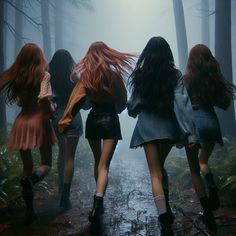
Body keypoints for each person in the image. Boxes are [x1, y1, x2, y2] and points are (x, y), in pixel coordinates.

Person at [58, 41, 134, 225]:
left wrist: (65, 121)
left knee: (97, 161)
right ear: (108, 54)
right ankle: (98, 201)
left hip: (93, 121)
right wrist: (114, 106)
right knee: (104, 166)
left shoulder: (87, 77)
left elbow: (76, 101)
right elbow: (122, 103)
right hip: (110, 121)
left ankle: (98, 201)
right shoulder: (114, 75)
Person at [127, 36, 194, 236]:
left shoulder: (140, 75)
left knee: (155, 173)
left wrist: (132, 110)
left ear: (148, 53)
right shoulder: (175, 75)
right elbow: (182, 105)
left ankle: (164, 220)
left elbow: (133, 105)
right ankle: (167, 211)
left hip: (147, 128)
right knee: (160, 169)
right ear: (167, 53)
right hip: (168, 129)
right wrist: (189, 133)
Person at [0, 43, 57, 225]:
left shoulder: (18, 76)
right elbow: (43, 98)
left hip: (22, 122)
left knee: (26, 166)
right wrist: (51, 111)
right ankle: (32, 179)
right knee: (46, 163)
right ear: (39, 57)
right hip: (39, 121)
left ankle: (29, 210)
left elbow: (20, 101)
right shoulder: (44, 75)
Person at [183, 44, 235, 232]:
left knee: (194, 170)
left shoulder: (186, 79)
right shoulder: (213, 78)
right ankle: (210, 180)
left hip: (193, 124)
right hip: (211, 122)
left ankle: (207, 212)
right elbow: (225, 103)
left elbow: (180, 103)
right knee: (203, 160)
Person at [48, 49, 83, 211]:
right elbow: (83, 96)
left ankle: (61, 188)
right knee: (70, 157)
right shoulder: (74, 76)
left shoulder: (50, 76)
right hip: (73, 114)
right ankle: (65, 196)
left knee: (62, 153)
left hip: (57, 116)